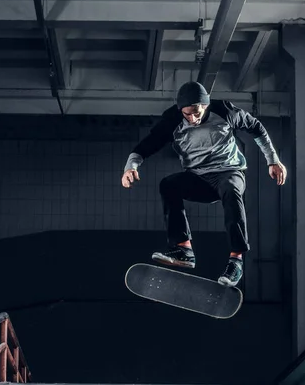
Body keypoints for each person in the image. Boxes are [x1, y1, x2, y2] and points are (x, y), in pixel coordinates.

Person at [121, 81, 287, 287]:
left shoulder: (225, 111)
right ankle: (183, 249)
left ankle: (236, 260)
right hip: (198, 178)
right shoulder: (172, 119)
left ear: (206, 105)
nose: (193, 118)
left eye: (197, 112)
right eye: (188, 114)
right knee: (168, 185)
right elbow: (148, 144)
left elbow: (256, 127)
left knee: (231, 189)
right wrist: (131, 166)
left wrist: (273, 160)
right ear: (180, 110)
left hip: (228, 172)